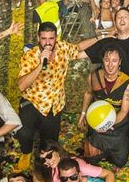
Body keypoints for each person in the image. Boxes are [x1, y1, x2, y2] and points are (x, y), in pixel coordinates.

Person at [17, 22, 100, 154]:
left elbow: (77, 48)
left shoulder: (62, 48)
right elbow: (21, 86)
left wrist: (99, 38)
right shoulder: (30, 56)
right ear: (38, 38)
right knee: (23, 134)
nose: (47, 43)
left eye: (51, 38)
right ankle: (26, 154)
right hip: (33, 102)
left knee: (50, 144)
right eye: (43, 39)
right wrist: (40, 65)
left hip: (54, 104)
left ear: (56, 38)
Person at [80, 43, 129, 167]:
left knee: (120, 162)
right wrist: (83, 114)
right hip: (97, 124)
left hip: (118, 125)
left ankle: (114, 148)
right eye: (107, 60)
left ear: (120, 62)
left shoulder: (127, 82)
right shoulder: (93, 77)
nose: (110, 65)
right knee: (90, 160)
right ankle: (96, 146)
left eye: (114, 61)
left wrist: (108, 124)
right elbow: (88, 93)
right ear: (102, 61)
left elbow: (124, 112)